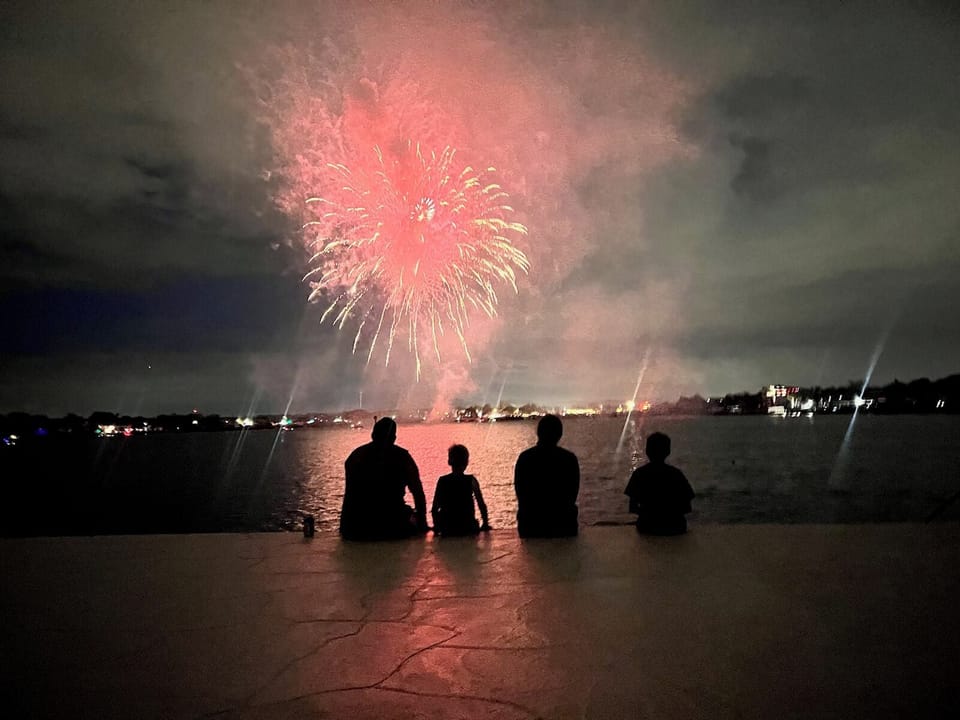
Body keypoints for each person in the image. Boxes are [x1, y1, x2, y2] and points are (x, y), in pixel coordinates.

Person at [339, 417, 428, 540]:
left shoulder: (355, 457)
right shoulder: (402, 458)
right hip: (393, 525)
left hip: (357, 527)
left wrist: (345, 528)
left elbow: (349, 496)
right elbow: (418, 493)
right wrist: (423, 524)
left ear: (373, 435)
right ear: (393, 438)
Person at [514, 414, 580, 537]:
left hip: (530, 524)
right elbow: (572, 493)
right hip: (563, 524)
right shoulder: (569, 459)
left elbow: (520, 491)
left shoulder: (525, 458)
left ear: (538, 433)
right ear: (559, 434)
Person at [624, 432, 695, 535]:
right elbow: (687, 507)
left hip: (647, 526)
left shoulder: (639, 474)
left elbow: (633, 507)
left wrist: (649, 514)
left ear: (647, 451)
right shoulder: (676, 474)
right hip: (675, 526)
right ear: (668, 451)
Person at [431, 444, 490, 536]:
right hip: (467, 526)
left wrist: (437, 526)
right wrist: (485, 523)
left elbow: (435, 509)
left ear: (449, 461)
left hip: (447, 528)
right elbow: (481, 504)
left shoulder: (442, 481)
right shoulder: (471, 481)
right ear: (466, 462)